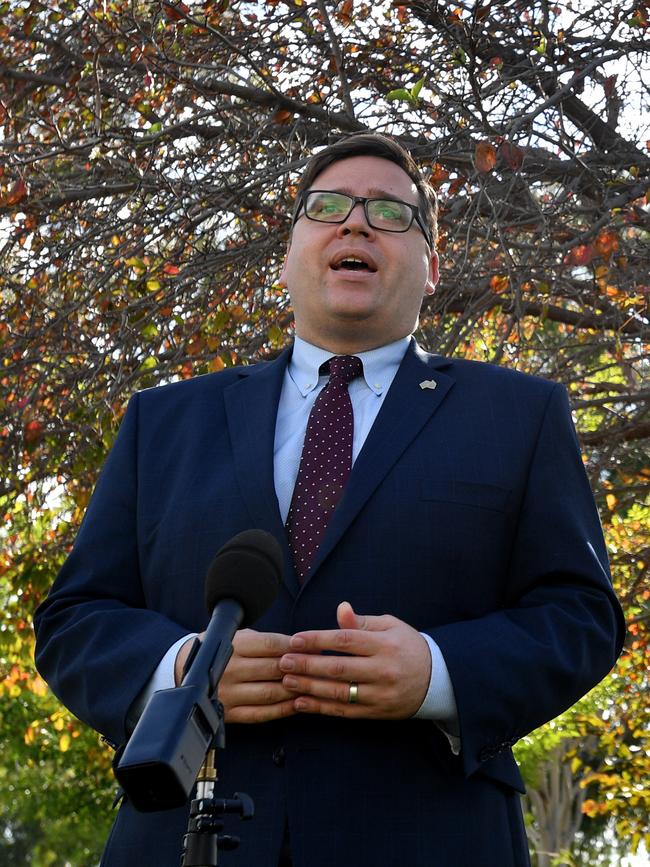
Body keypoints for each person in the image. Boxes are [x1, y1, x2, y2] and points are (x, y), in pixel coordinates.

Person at [34, 133, 624, 867]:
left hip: (431, 836)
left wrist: (439, 671)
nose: (356, 223)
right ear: (288, 257)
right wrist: (182, 667)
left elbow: (581, 615)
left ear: (431, 268)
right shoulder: (163, 420)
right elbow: (73, 619)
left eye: (390, 212)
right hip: (186, 838)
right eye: (329, 207)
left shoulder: (521, 414)